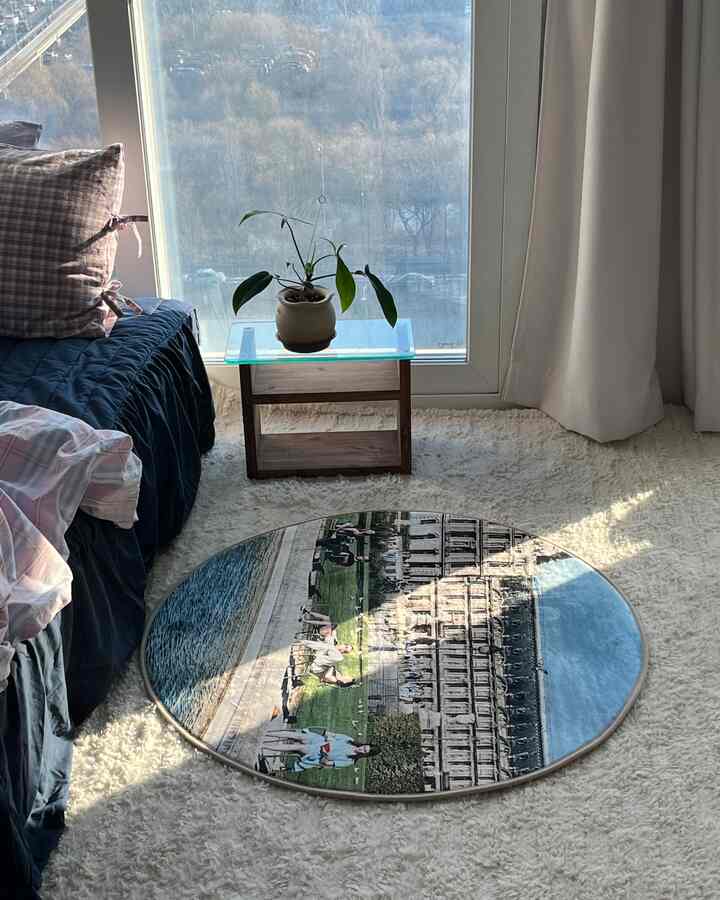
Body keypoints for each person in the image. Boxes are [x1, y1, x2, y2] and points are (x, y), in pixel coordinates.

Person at [263, 728, 378, 772]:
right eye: (364, 746)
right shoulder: (349, 740)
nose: (361, 749)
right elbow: (330, 734)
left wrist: (325, 754)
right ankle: (267, 733)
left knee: (298, 747)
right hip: (320, 740)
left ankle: (264, 746)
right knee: (297, 736)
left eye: (364, 751)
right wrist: (329, 737)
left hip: (318, 753)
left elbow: (327, 763)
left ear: (365, 755)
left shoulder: (349, 761)